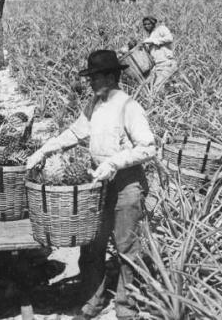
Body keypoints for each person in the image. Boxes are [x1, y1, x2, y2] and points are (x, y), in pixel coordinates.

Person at [26, 50, 156, 320]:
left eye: (95, 77)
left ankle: (126, 307)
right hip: (99, 185)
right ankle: (92, 302)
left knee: (126, 247)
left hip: (126, 184)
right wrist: (46, 149)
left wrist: (115, 162)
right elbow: (76, 131)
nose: (91, 82)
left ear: (111, 76)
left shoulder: (128, 107)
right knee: (92, 245)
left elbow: (148, 147)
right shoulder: (95, 103)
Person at [141, 16, 177, 93]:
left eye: (149, 24)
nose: (147, 26)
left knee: (156, 88)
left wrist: (153, 41)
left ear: (153, 24)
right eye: (145, 24)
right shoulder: (149, 36)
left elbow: (170, 38)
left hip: (167, 63)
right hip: (158, 66)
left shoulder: (161, 29)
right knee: (148, 85)